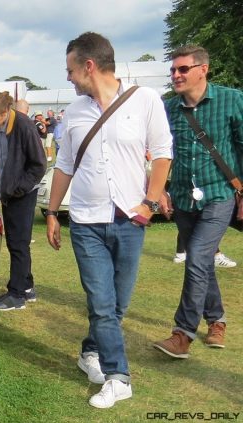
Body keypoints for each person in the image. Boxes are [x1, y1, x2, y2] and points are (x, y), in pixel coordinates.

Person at [46, 32, 172, 409]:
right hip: (85, 221)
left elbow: (163, 154)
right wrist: (52, 212)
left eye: (70, 70)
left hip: (129, 220)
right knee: (101, 303)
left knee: (117, 305)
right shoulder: (73, 111)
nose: (67, 78)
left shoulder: (145, 100)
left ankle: (90, 351)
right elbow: (65, 164)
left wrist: (149, 203)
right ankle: (119, 377)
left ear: (89, 66)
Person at [153, 45, 243, 359]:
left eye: (183, 69)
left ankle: (183, 334)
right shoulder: (167, 109)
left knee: (197, 259)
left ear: (202, 69)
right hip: (182, 198)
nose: (176, 75)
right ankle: (217, 321)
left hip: (219, 194)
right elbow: (158, 151)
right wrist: (159, 190)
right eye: (173, 70)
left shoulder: (231, 100)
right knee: (201, 262)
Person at [0, 91, 46, 311]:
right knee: (15, 242)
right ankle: (27, 287)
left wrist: (19, 189)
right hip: (7, 193)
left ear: (5, 112)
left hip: (22, 194)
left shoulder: (24, 126)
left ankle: (16, 295)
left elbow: (39, 165)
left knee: (18, 243)